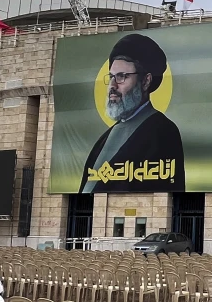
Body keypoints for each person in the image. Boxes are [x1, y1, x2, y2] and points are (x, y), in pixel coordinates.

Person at [80, 33, 186, 193]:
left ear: (146, 81)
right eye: (111, 77)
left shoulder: (162, 131)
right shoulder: (106, 136)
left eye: (122, 77)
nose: (112, 86)